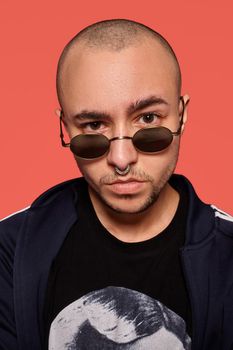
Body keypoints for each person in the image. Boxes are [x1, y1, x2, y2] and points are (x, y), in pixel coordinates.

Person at [0, 18, 233, 350]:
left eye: (149, 119)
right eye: (94, 125)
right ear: (66, 128)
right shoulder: (10, 251)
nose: (122, 159)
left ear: (181, 115)